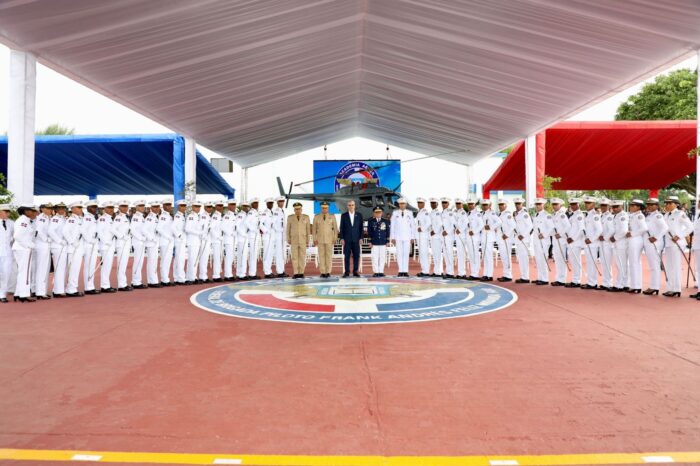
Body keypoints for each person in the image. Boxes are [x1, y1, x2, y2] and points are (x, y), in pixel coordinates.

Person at [662, 196, 692, 297]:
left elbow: (690, 227)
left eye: (669, 203)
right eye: (666, 203)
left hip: (677, 244)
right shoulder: (666, 215)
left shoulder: (680, 214)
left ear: (676, 204)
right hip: (668, 243)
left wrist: (679, 236)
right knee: (669, 266)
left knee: (675, 266)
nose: (667, 205)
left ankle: (677, 289)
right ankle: (670, 288)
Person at [643, 198, 668, 295]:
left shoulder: (657, 216)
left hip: (655, 244)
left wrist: (656, 237)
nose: (649, 206)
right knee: (652, 265)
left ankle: (654, 287)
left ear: (657, 206)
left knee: (655, 266)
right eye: (648, 204)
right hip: (649, 243)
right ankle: (653, 286)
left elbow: (665, 228)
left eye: (651, 204)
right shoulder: (650, 215)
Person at [13, 205, 36, 302]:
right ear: (26, 211)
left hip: (21, 248)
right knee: (25, 272)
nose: (34, 212)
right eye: (32, 211)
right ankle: (24, 295)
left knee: (22, 271)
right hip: (23, 249)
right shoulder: (23, 221)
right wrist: (28, 245)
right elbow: (17, 236)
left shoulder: (25, 220)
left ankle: (18, 293)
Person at [63, 202, 85, 297]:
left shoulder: (79, 219)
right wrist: (72, 242)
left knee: (76, 269)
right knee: (73, 269)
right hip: (73, 248)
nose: (80, 209)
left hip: (79, 247)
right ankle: (70, 289)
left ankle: (73, 288)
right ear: (72, 209)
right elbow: (65, 232)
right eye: (78, 207)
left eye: (81, 207)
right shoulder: (71, 219)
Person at [626, 199, 648, 294]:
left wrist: (632, 233)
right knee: (634, 263)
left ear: (639, 207)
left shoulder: (639, 216)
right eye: (631, 205)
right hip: (632, 240)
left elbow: (644, 228)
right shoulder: (633, 215)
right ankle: (635, 285)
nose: (630, 207)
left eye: (633, 205)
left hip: (636, 239)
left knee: (634, 263)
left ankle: (636, 286)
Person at [390, 198, 415, 277]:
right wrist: (392, 237)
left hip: (407, 237)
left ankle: (405, 271)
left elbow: (413, 226)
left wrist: (412, 237)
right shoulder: (395, 213)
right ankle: (400, 271)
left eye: (403, 203)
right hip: (398, 237)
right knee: (399, 254)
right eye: (400, 204)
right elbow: (392, 225)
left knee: (406, 254)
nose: (402, 205)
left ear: (406, 204)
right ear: (399, 205)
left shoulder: (410, 213)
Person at [581, 196, 602, 289]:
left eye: (589, 203)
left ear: (593, 204)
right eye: (586, 203)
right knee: (589, 263)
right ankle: (590, 282)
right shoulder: (587, 215)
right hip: (587, 243)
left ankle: (593, 283)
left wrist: (591, 239)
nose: (586, 205)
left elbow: (599, 230)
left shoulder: (595, 216)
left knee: (592, 263)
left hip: (592, 244)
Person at [313, 201, 338, 278]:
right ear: (321, 208)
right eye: (323, 208)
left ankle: (328, 272)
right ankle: (323, 272)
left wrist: (335, 238)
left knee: (329, 256)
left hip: (329, 239)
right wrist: (314, 239)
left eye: (326, 208)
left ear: (328, 208)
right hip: (320, 239)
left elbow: (335, 228)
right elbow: (314, 229)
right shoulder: (316, 217)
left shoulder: (332, 216)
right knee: (321, 256)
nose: (324, 209)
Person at [49, 202, 68, 297]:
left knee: (63, 269)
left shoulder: (63, 219)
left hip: (63, 246)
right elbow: (50, 231)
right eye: (60, 208)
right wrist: (59, 241)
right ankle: (58, 291)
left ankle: (58, 289)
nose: (62, 210)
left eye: (63, 208)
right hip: (58, 246)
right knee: (59, 269)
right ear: (56, 210)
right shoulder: (55, 219)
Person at [286, 202, 311, 278]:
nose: (297, 211)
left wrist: (308, 240)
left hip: (303, 239)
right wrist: (288, 238)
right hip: (294, 240)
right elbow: (288, 229)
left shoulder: (306, 217)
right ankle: (296, 273)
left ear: (301, 209)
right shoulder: (290, 218)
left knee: (302, 257)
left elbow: (308, 230)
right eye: (296, 209)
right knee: (294, 257)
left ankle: (301, 272)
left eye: (299, 209)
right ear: (294, 210)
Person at [34, 203, 53, 300]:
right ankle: (39, 292)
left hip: (46, 246)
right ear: (42, 209)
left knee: (45, 269)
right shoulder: (41, 218)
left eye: (51, 208)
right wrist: (46, 239)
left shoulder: (48, 218)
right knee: (41, 269)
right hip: (41, 245)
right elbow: (38, 231)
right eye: (48, 208)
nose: (50, 210)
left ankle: (42, 291)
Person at [531, 198, 552, 285]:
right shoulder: (536, 215)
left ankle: (545, 279)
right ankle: (540, 277)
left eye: (539, 204)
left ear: (543, 205)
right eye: (536, 204)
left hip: (544, 241)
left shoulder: (547, 215)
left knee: (543, 259)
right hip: (536, 241)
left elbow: (551, 227)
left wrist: (544, 234)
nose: (537, 206)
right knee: (538, 259)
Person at [97, 201, 117, 293]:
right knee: (106, 266)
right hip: (105, 246)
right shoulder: (103, 219)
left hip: (110, 246)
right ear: (104, 209)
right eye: (109, 208)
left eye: (112, 208)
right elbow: (99, 232)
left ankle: (106, 284)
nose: (111, 209)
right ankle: (104, 286)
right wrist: (106, 242)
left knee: (108, 266)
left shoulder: (110, 218)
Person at [339, 200, 363, 277]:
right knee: (346, 256)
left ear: (355, 206)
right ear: (347, 206)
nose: (351, 206)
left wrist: (361, 238)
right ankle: (347, 272)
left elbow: (361, 228)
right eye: (349, 205)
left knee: (356, 256)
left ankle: (355, 271)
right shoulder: (344, 215)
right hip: (347, 239)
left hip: (356, 239)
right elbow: (341, 228)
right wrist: (342, 238)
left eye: (352, 205)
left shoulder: (359, 215)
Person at [549, 198, 570, 286]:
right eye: (553, 204)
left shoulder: (562, 215)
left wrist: (560, 234)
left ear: (560, 205)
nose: (554, 206)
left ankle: (562, 280)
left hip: (561, 241)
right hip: (555, 240)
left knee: (561, 260)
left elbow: (567, 226)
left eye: (556, 204)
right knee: (557, 260)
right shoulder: (554, 215)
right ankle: (558, 278)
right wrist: (552, 233)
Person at [610, 200, 629, 292]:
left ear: (621, 206)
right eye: (613, 207)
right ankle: (625, 284)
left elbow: (624, 230)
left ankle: (619, 285)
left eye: (616, 207)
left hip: (621, 243)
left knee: (621, 264)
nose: (614, 208)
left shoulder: (622, 216)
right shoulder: (617, 215)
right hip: (618, 243)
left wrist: (615, 237)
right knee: (621, 264)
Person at [479, 199, 501, 281]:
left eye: (486, 205)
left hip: (489, 237)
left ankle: (489, 275)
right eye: (483, 205)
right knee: (485, 256)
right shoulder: (481, 213)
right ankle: (485, 274)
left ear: (489, 206)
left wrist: (491, 227)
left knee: (488, 256)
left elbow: (499, 221)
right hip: (483, 237)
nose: (484, 206)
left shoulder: (492, 213)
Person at [113, 201, 133, 292]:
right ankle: (121, 284)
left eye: (126, 206)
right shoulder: (119, 217)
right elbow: (113, 229)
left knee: (124, 264)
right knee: (121, 264)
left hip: (126, 243)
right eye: (123, 206)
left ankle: (123, 283)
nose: (125, 208)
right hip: (121, 243)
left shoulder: (126, 216)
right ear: (119, 208)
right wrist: (122, 236)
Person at [512, 197, 532, 284]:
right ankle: (523, 276)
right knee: (520, 258)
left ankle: (525, 277)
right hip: (518, 239)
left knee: (524, 258)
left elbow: (530, 226)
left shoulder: (524, 214)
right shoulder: (515, 214)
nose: (517, 205)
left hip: (524, 240)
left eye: (519, 203)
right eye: (516, 204)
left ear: (522, 204)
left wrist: (523, 235)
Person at [82, 201, 100, 295]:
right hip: (88, 245)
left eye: (96, 207)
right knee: (88, 266)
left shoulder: (93, 217)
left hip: (93, 244)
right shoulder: (87, 218)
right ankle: (88, 287)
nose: (95, 209)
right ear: (88, 208)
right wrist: (90, 240)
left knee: (92, 266)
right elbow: (83, 230)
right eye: (93, 207)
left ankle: (90, 286)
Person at [565, 198, 584, 288]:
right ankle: (575, 279)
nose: (572, 206)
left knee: (576, 261)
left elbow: (581, 229)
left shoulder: (579, 215)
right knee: (573, 261)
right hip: (571, 242)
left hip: (576, 242)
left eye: (574, 204)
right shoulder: (573, 215)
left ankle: (577, 281)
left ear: (578, 204)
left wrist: (573, 238)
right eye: (571, 204)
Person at [129, 201, 147, 289]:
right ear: (136, 207)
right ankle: (136, 282)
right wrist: (141, 238)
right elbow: (132, 229)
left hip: (141, 242)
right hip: (138, 242)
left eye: (143, 206)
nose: (142, 207)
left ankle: (136, 281)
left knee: (140, 262)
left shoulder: (141, 216)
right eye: (140, 206)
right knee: (138, 262)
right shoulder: (136, 217)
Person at [496, 199, 515, 283]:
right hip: (501, 239)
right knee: (503, 257)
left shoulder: (508, 215)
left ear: (506, 205)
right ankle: (505, 274)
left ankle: (508, 275)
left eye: (502, 204)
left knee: (506, 257)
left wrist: (506, 234)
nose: (500, 206)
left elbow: (513, 225)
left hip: (506, 239)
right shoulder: (500, 214)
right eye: (499, 205)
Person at [598, 199, 614, 291]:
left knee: (607, 263)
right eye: (601, 205)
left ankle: (609, 283)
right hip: (602, 243)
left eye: (605, 205)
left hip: (607, 243)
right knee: (603, 263)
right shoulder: (601, 216)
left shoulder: (609, 217)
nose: (603, 207)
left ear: (608, 207)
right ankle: (605, 282)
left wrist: (604, 237)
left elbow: (612, 230)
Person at [185, 201, 203, 284]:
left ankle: (193, 276)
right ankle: (190, 278)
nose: (198, 208)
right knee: (192, 260)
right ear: (192, 207)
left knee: (195, 260)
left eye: (199, 206)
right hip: (192, 241)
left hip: (197, 241)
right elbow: (187, 228)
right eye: (196, 206)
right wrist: (198, 233)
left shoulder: (197, 216)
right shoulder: (191, 216)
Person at [369, 207, 390, 276]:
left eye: (379, 212)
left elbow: (387, 231)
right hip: (374, 242)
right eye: (376, 212)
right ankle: (376, 272)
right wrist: (370, 241)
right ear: (374, 213)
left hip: (383, 242)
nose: (378, 214)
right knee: (375, 257)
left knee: (382, 257)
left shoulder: (385, 221)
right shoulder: (371, 221)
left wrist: (387, 241)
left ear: (382, 213)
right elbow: (369, 232)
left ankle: (381, 271)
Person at [158, 199, 175, 286]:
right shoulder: (163, 216)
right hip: (165, 241)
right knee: (164, 261)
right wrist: (168, 237)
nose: (169, 207)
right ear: (163, 206)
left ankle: (166, 279)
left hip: (169, 241)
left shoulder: (169, 215)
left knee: (168, 261)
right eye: (167, 205)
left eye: (170, 205)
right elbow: (159, 228)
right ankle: (164, 280)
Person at [221, 199, 238, 281]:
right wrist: (231, 233)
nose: (233, 206)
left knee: (231, 257)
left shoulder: (235, 215)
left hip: (233, 240)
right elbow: (223, 227)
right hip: (228, 239)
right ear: (228, 206)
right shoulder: (227, 216)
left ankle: (229, 274)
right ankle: (228, 275)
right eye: (232, 204)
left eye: (234, 204)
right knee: (228, 257)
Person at [415, 197, 432, 277]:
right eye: (418, 203)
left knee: (424, 253)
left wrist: (422, 228)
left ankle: (426, 271)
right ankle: (424, 270)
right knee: (421, 253)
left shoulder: (425, 212)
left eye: (421, 203)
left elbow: (429, 222)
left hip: (424, 236)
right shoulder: (419, 212)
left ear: (424, 204)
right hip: (419, 236)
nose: (419, 204)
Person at [0, 205, 14, 303]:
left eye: (8, 211)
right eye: (5, 211)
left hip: (7, 251)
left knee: (6, 273)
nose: (8, 213)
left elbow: (15, 235)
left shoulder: (12, 223)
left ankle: (2, 294)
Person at [271, 197, 288, 277]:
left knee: (282, 253)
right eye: (280, 202)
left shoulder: (282, 211)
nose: (282, 203)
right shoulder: (276, 212)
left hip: (282, 235)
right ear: (277, 203)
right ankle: (280, 271)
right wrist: (279, 230)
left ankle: (281, 270)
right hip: (278, 235)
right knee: (279, 253)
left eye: (283, 201)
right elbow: (273, 223)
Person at [172, 200, 188, 285]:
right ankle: (181, 278)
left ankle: (177, 277)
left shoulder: (182, 215)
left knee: (178, 259)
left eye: (184, 206)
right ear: (178, 207)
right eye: (182, 206)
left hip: (182, 240)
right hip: (179, 240)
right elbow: (173, 227)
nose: (183, 207)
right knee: (180, 259)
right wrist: (179, 235)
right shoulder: (178, 216)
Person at [439, 198, 455, 278]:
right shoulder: (442, 213)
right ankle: (448, 271)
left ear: (448, 204)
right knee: (446, 254)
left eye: (445, 203)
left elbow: (453, 224)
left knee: (449, 254)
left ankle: (450, 272)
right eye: (443, 203)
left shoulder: (450, 212)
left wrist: (447, 231)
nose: (444, 204)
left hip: (448, 236)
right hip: (443, 237)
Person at [453, 199, 469, 279]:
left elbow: (466, 222)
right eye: (456, 203)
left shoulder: (463, 213)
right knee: (459, 254)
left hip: (462, 236)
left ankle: (462, 273)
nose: (458, 205)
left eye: (459, 203)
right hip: (457, 236)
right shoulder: (456, 212)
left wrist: (460, 230)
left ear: (462, 204)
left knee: (461, 254)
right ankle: (460, 273)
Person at [245, 199, 261, 279]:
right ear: (251, 204)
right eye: (255, 203)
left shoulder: (256, 212)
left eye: (257, 203)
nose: (257, 204)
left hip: (256, 235)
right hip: (252, 236)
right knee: (252, 255)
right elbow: (246, 222)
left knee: (254, 255)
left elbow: (258, 224)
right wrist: (253, 229)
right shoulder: (251, 212)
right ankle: (252, 274)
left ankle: (253, 273)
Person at [209, 200, 224, 282]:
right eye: (219, 206)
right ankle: (216, 275)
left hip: (219, 240)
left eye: (221, 206)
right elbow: (211, 228)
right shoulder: (215, 216)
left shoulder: (220, 215)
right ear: (216, 207)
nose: (220, 207)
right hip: (216, 240)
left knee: (219, 257)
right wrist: (218, 237)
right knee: (216, 257)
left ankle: (217, 274)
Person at [198, 203, 213, 283]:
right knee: (203, 258)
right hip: (204, 239)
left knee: (205, 258)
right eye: (208, 207)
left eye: (211, 207)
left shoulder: (208, 216)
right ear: (204, 208)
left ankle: (204, 275)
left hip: (208, 239)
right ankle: (203, 276)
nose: (210, 208)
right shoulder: (203, 216)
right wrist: (203, 235)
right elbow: (200, 227)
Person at [235, 201, 250, 279]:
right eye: (244, 206)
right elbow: (236, 226)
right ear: (241, 207)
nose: (246, 207)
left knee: (242, 256)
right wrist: (243, 234)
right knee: (243, 256)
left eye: (247, 206)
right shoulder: (241, 215)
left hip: (244, 238)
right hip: (242, 238)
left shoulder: (246, 215)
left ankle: (239, 273)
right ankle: (242, 274)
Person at [260, 198, 275, 278]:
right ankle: (267, 272)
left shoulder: (272, 212)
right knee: (266, 254)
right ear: (266, 204)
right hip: (267, 236)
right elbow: (260, 223)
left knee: (270, 254)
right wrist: (266, 231)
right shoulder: (265, 213)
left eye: (272, 203)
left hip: (271, 237)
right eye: (269, 203)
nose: (271, 204)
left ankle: (269, 270)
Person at [428, 198, 443, 277]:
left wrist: (435, 231)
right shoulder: (431, 213)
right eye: (431, 203)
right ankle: (436, 271)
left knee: (438, 254)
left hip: (437, 236)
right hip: (432, 237)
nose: (433, 204)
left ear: (437, 204)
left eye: (434, 203)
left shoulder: (438, 213)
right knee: (434, 254)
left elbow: (440, 224)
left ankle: (439, 271)